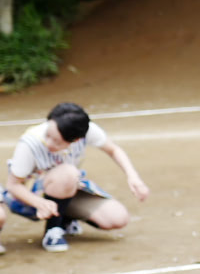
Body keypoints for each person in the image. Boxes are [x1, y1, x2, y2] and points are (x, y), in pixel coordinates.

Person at [2, 103, 149, 253]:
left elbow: (114, 149)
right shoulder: (30, 142)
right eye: (48, 135)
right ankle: (53, 231)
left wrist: (133, 177)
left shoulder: (86, 130)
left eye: (57, 141)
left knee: (117, 218)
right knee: (68, 173)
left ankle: (65, 218)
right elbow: (13, 186)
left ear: (76, 140)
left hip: (66, 187)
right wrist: (39, 203)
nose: (49, 142)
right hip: (28, 196)